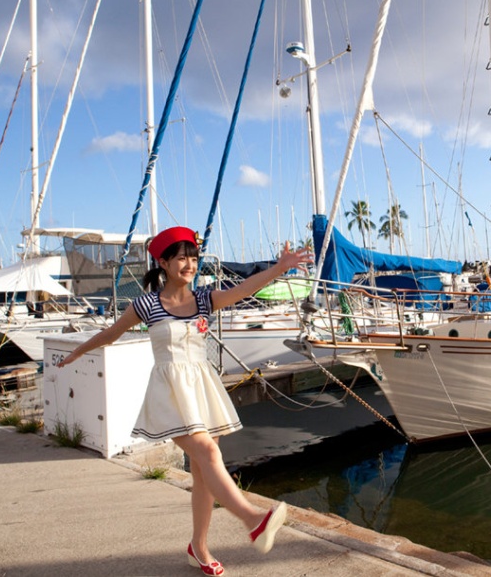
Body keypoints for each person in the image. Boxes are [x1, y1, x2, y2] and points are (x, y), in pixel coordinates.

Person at [58, 226, 313, 576]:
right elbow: (110, 334)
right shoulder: (146, 304)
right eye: (181, 258)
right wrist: (76, 353)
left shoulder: (205, 299)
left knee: (203, 474)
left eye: (193, 258)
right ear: (163, 262)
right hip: (169, 392)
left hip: (202, 388)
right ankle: (253, 519)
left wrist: (280, 267)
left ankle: (199, 547)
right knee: (209, 454)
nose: (189, 264)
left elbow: (243, 290)